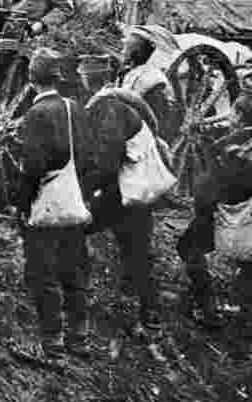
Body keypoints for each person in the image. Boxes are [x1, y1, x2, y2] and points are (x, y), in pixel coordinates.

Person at [17, 48, 95, 360]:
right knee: (74, 273)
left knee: (43, 275)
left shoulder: (35, 114)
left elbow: (32, 168)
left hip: (47, 206)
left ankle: (52, 343)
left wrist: (22, 205)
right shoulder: (73, 107)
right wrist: (83, 196)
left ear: (31, 80)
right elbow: (89, 158)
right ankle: (80, 339)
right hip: (74, 203)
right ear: (57, 78)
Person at [79, 54, 163, 337]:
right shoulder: (112, 101)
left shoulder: (108, 107)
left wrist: (85, 193)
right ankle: (142, 314)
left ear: (87, 78)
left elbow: (107, 161)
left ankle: (148, 319)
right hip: (131, 187)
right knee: (136, 251)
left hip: (129, 189)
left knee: (79, 228)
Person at [176, 95, 252, 327]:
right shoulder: (241, 141)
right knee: (248, 266)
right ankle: (244, 316)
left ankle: (206, 308)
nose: (229, 116)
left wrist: (208, 155)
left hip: (225, 213)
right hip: (243, 213)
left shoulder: (234, 146)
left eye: (233, 112)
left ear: (238, 116)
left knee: (188, 247)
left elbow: (211, 189)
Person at [119, 26, 177, 136]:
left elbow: (158, 119)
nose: (122, 52)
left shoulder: (153, 78)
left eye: (126, 48)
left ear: (135, 53)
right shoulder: (131, 72)